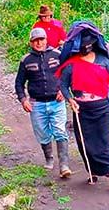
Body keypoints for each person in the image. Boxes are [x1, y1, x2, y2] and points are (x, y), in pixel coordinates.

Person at [57, 32, 109, 190]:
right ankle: (92, 171)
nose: (86, 48)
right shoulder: (71, 64)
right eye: (83, 46)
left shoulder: (103, 60)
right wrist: (70, 100)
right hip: (82, 109)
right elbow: (63, 85)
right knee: (85, 141)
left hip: (102, 106)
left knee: (105, 139)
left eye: (88, 45)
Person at [14, 27, 72, 177]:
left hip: (57, 101)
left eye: (41, 39)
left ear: (46, 40)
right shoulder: (26, 60)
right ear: (31, 43)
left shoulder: (57, 55)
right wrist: (23, 100)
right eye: (35, 40)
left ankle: (64, 165)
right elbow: (19, 83)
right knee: (42, 133)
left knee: (60, 131)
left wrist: (63, 91)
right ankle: (49, 158)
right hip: (37, 104)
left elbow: (67, 75)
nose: (39, 43)